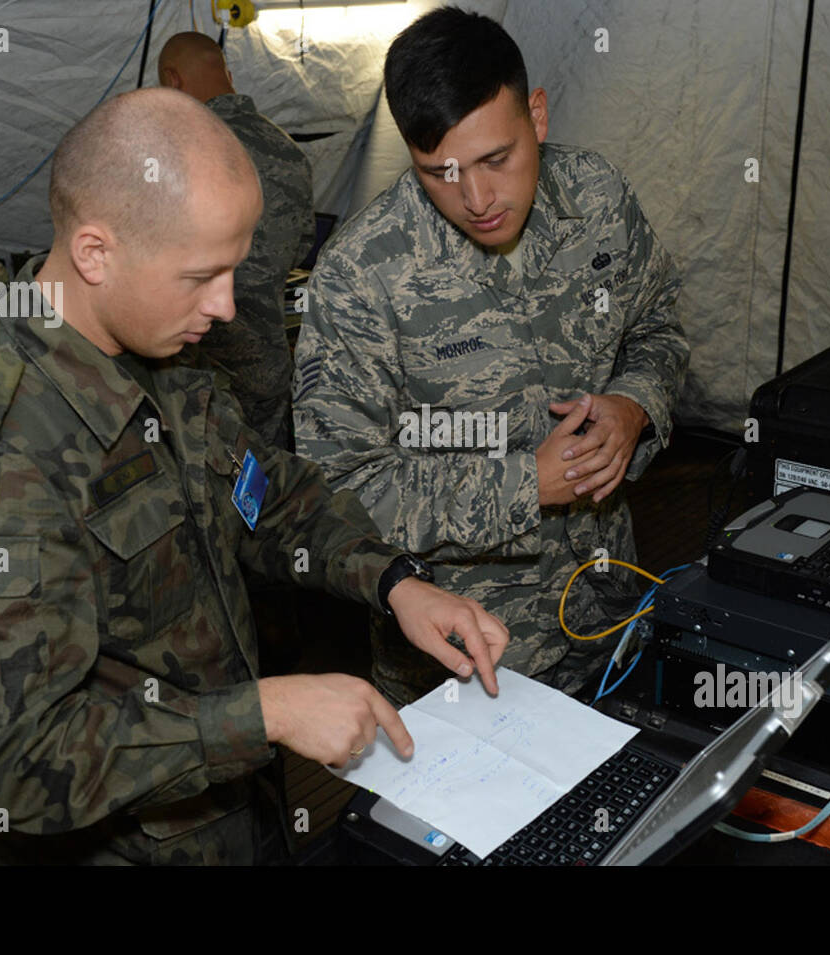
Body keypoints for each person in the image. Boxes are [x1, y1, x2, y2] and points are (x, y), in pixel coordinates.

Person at [0, 88, 508, 865]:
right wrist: (266, 711)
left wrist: (395, 581)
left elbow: (265, 497)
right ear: (95, 252)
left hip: (239, 812)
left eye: (234, 271)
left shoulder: (166, 357)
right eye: (201, 275)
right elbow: (24, 762)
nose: (224, 307)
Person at [293, 7, 691, 706]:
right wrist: (522, 485)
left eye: (495, 160)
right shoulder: (362, 274)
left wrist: (635, 405)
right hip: (469, 665)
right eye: (439, 172)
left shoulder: (596, 200)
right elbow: (336, 494)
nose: (476, 199)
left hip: (610, 617)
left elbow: (658, 325)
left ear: (536, 116)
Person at [158, 30, 314, 451]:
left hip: (197, 364)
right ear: (227, 74)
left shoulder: (175, 151)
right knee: (264, 481)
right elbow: (301, 247)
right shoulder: (289, 150)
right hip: (267, 357)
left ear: (173, 80)